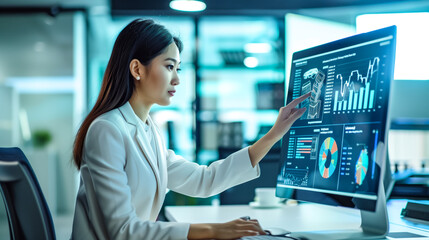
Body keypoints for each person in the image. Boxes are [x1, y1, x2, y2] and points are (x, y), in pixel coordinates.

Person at [71, 18, 310, 240]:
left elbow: (204, 180)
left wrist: (273, 135)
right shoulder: (106, 130)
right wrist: (214, 230)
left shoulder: (149, 130)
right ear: (137, 70)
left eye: (178, 69)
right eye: (169, 66)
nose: (176, 79)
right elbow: (122, 230)